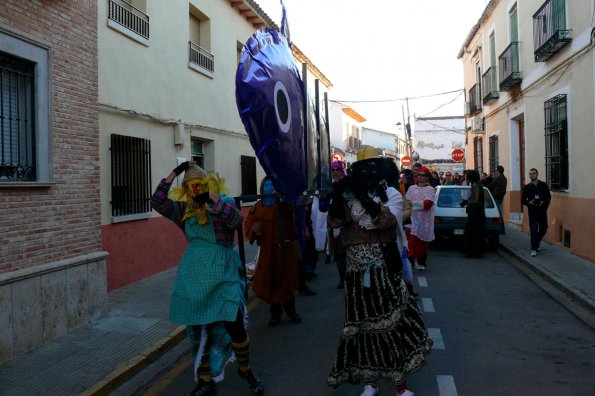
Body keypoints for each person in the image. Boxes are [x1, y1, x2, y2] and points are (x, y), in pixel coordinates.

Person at [151, 161, 264, 396]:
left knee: (234, 325)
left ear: (207, 184)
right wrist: (176, 172)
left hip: (223, 274)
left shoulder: (223, 204)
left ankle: (246, 369)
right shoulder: (183, 211)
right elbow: (157, 202)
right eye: (190, 185)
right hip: (195, 277)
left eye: (198, 184)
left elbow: (235, 220)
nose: (194, 189)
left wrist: (211, 198)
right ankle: (205, 380)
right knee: (197, 330)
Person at [327, 148, 432, 396]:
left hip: (383, 268)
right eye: (363, 167)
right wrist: (337, 197)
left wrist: (365, 198)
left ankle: (400, 386)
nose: (367, 172)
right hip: (354, 271)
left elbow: (385, 223)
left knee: (389, 326)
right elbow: (335, 223)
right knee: (362, 328)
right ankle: (370, 383)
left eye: (373, 167)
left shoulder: (392, 195)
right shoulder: (348, 195)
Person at [244, 176, 304, 326]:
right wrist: (255, 229)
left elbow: (298, 209)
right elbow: (249, 225)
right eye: (267, 185)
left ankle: (291, 310)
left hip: (286, 249)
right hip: (268, 251)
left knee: (287, 281)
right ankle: (275, 314)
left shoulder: (286, 204)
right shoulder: (257, 207)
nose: (269, 188)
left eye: (273, 185)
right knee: (272, 281)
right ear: (262, 188)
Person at [405, 166, 436, 271]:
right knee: (411, 241)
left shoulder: (431, 190)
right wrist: (418, 204)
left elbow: (427, 204)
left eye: (423, 175)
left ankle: (421, 261)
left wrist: (413, 204)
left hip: (425, 220)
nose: (420, 177)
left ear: (427, 177)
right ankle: (410, 262)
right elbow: (406, 203)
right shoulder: (411, 188)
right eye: (419, 175)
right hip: (412, 219)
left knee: (422, 242)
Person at [521, 168, 551, 257]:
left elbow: (548, 197)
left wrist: (543, 202)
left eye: (534, 173)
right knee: (534, 230)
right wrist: (528, 202)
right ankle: (533, 249)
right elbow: (523, 200)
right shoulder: (527, 187)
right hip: (532, 211)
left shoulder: (543, 185)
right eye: (530, 174)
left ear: (537, 174)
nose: (532, 175)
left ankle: (536, 243)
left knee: (544, 228)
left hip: (542, 211)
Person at [328, 159, 348, 288]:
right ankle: (342, 278)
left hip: (348, 222)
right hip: (334, 223)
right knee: (339, 253)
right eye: (333, 170)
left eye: (338, 169)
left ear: (342, 170)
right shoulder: (327, 186)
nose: (335, 172)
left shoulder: (348, 184)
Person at [460, 169, 485, 258]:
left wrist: (466, 202)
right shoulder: (477, 184)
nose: (466, 177)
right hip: (477, 212)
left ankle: (473, 251)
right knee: (476, 232)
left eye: (467, 175)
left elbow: (475, 200)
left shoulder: (475, 185)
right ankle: (475, 251)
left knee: (472, 232)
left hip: (475, 212)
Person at [488, 165, 507, 235]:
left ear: (498, 171)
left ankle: (501, 231)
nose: (494, 172)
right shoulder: (504, 178)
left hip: (495, 198)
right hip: (500, 198)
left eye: (495, 171)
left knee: (497, 215)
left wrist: (490, 178)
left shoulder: (497, 179)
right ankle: (500, 230)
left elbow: (490, 186)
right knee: (498, 214)